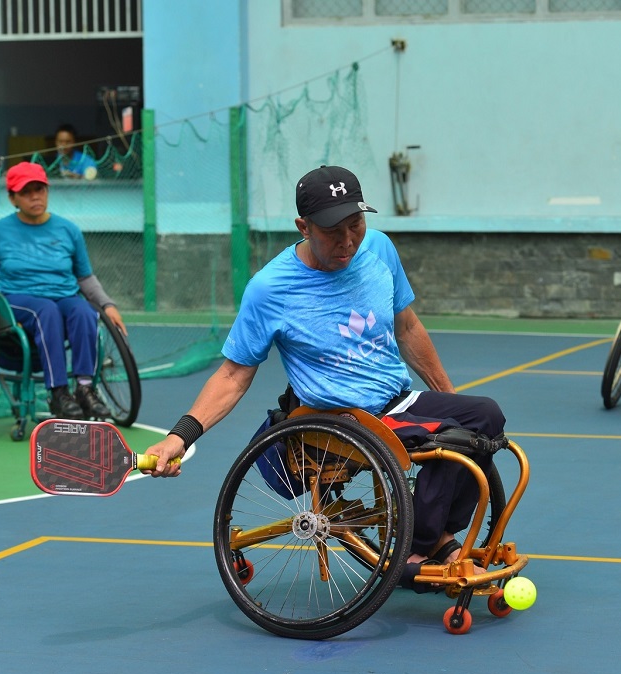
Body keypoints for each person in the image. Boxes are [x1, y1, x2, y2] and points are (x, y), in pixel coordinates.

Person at [142, 164, 504, 589]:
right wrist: (179, 436)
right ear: (303, 226)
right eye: (334, 231)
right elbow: (233, 374)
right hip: (340, 418)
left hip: (396, 401)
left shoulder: (379, 249)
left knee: (484, 417)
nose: (348, 240)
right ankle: (414, 544)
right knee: (457, 435)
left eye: (356, 225)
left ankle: (433, 536)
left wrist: (450, 400)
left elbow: (407, 327)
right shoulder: (271, 289)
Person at [0, 162, 126, 420]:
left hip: (64, 296)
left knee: (84, 312)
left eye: (40, 189)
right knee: (45, 311)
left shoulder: (68, 230)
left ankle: (84, 389)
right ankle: (58, 392)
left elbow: (85, 277)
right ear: (12, 198)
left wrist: (107, 305)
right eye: (26, 192)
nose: (35, 196)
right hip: (17, 301)